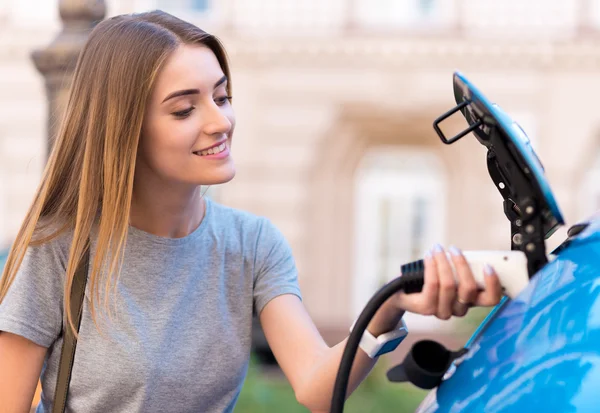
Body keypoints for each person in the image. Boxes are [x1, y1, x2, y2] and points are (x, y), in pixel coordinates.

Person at [0, 10, 502, 413]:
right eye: (184, 109)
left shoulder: (251, 245)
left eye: (222, 96)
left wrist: (387, 308)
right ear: (124, 128)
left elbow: (314, 387)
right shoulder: (58, 250)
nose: (220, 121)